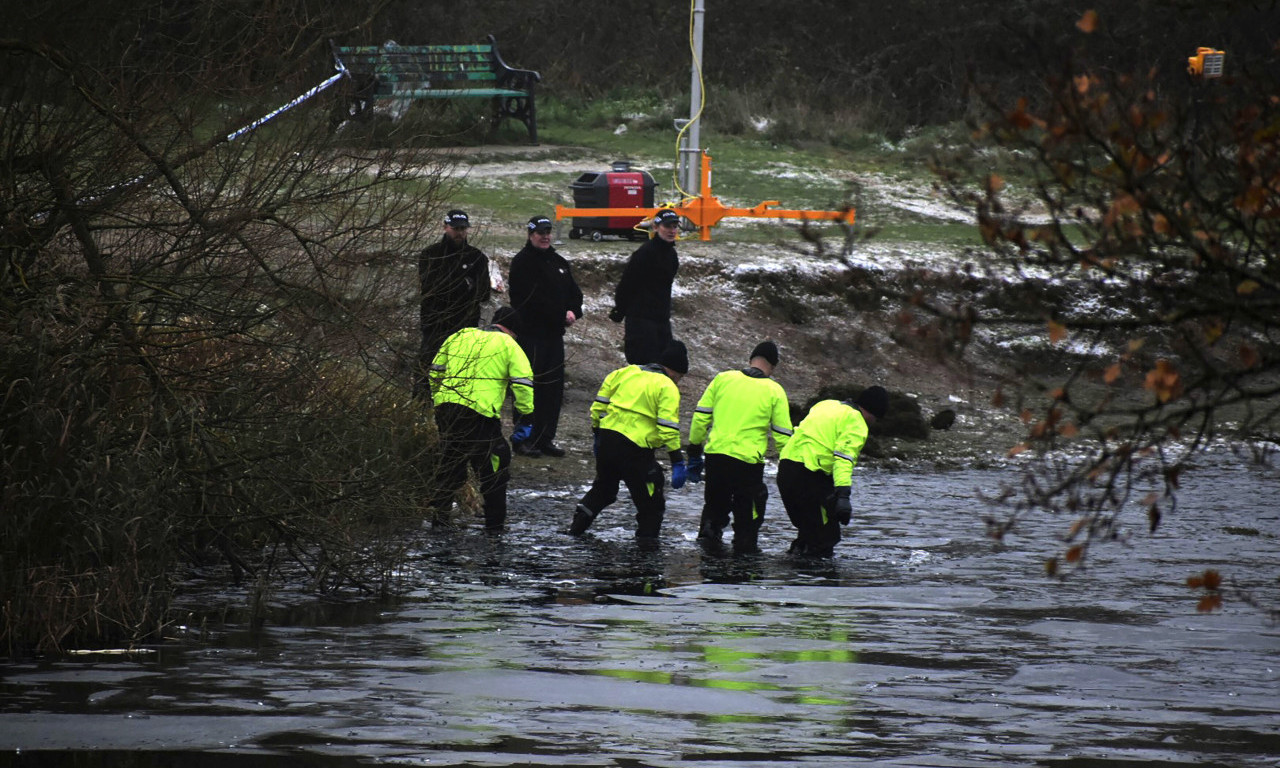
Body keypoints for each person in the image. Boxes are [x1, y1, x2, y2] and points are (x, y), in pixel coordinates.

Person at [569, 340, 690, 545]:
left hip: (608, 441)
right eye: (679, 378)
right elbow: (668, 428)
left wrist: (598, 435)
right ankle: (646, 552)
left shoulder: (624, 373)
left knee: (603, 490)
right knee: (651, 503)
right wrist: (676, 460)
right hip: (636, 451)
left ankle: (574, 532)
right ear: (675, 372)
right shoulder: (667, 386)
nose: (678, 382)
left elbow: (598, 407)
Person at [426, 307, 534, 531]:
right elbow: (523, 384)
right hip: (479, 413)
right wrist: (525, 414)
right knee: (495, 465)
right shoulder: (509, 345)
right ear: (513, 331)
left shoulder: (460, 335)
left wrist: (439, 399)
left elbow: (435, 371)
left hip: (447, 409)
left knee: (451, 461)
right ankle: (495, 526)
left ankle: (439, 520)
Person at [686, 341, 794, 555]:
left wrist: (694, 449)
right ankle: (744, 564)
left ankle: (708, 559)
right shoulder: (774, 390)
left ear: (751, 359)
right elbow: (782, 435)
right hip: (747, 462)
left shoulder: (723, 379)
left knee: (714, 510)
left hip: (716, 455)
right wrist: (789, 463)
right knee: (748, 519)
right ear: (772, 367)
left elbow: (700, 417)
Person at [776, 385, 889, 557]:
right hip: (809, 475)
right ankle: (815, 573)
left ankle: (793, 567)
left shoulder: (826, 405)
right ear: (874, 413)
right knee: (825, 538)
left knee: (808, 531)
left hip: (786, 470)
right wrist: (843, 496)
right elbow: (843, 460)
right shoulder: (856, 422)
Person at [507, 215, 584, 458]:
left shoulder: (558, 262)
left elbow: (575, 294)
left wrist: (572, 311)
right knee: (528, 389)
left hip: (554, 337)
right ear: (531, 235)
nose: (545, 236)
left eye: (548, 232)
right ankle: (523, 439)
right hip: (530, 336)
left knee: (552, 391)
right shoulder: (523, 262)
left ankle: (545, 438)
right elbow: (527, 301)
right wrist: (559, 315)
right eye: (541, 233)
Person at [417, 209, 491, 397]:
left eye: (463, 229)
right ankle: (420, 408)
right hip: (435, 325)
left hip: (465, 327)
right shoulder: (430, 254)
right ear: (445, 227)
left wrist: (459, 286)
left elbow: (483, 293)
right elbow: (432, 289)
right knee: (426, 373)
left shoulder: (477, 257)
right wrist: (465, 283)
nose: (460, 233)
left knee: (461, 376)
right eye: (455, 228)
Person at [608, 208, 680, 365]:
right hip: (641, 319)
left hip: (662, 319)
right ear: (656, 227)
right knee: (643, 363)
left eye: (674, 227)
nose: (672, 231)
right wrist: (620, 309)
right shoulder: (645, 253)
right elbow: (627, 283)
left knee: (663, 364)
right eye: (667, 226)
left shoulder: (672, 255)